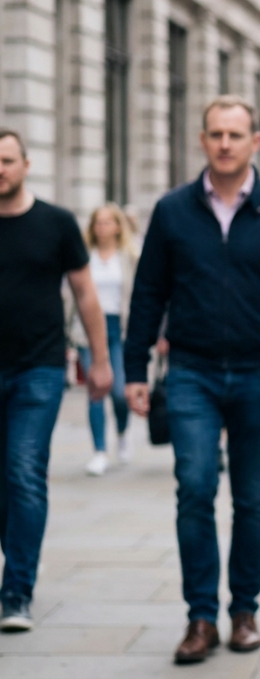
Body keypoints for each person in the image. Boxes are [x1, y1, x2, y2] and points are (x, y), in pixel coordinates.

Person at [124, 95, 260, 665]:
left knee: (251, 498)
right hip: (191, 371)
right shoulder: (173, 211)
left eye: (236, 134)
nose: (225, 143)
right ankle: (199, 618)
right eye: (215, 133)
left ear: (254, 142)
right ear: (203, 140)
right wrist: (134, 370)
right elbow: (148, 293)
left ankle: (244, 611)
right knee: (193, 487)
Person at [0, 129, 114, 632]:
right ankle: (22, 557)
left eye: (6, 160)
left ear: (26, 164)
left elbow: (87, 295)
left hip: (39, 369)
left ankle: (17, 592)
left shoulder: (57, 223)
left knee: (24, 470)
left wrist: (101, 362)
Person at [69, 204, 140, 476]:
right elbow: (71, 295)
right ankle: (99, 451)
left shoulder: (129, 256)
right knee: (95, 389)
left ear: (118, 227)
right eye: (98, 223)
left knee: (121, 391)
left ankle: (122, 432)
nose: (102, 228)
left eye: (108, 222)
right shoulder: (85, 255)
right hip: (87, 330)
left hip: (118, 329)